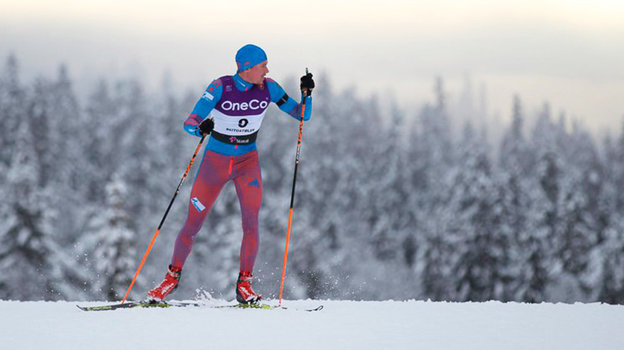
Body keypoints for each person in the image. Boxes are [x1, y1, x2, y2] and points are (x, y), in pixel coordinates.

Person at [147, 44, 315, 304]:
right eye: (263, 65)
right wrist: (200, 127)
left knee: (251, 222)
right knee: (193, 224)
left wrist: (307, 93)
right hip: (215, 163)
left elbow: (302, 114)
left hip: (247, 162)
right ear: (246, 67)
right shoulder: (220, 87)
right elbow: (189, 122)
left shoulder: (269, 88)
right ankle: (171, 279)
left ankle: (244, 284)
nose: (267, 70)